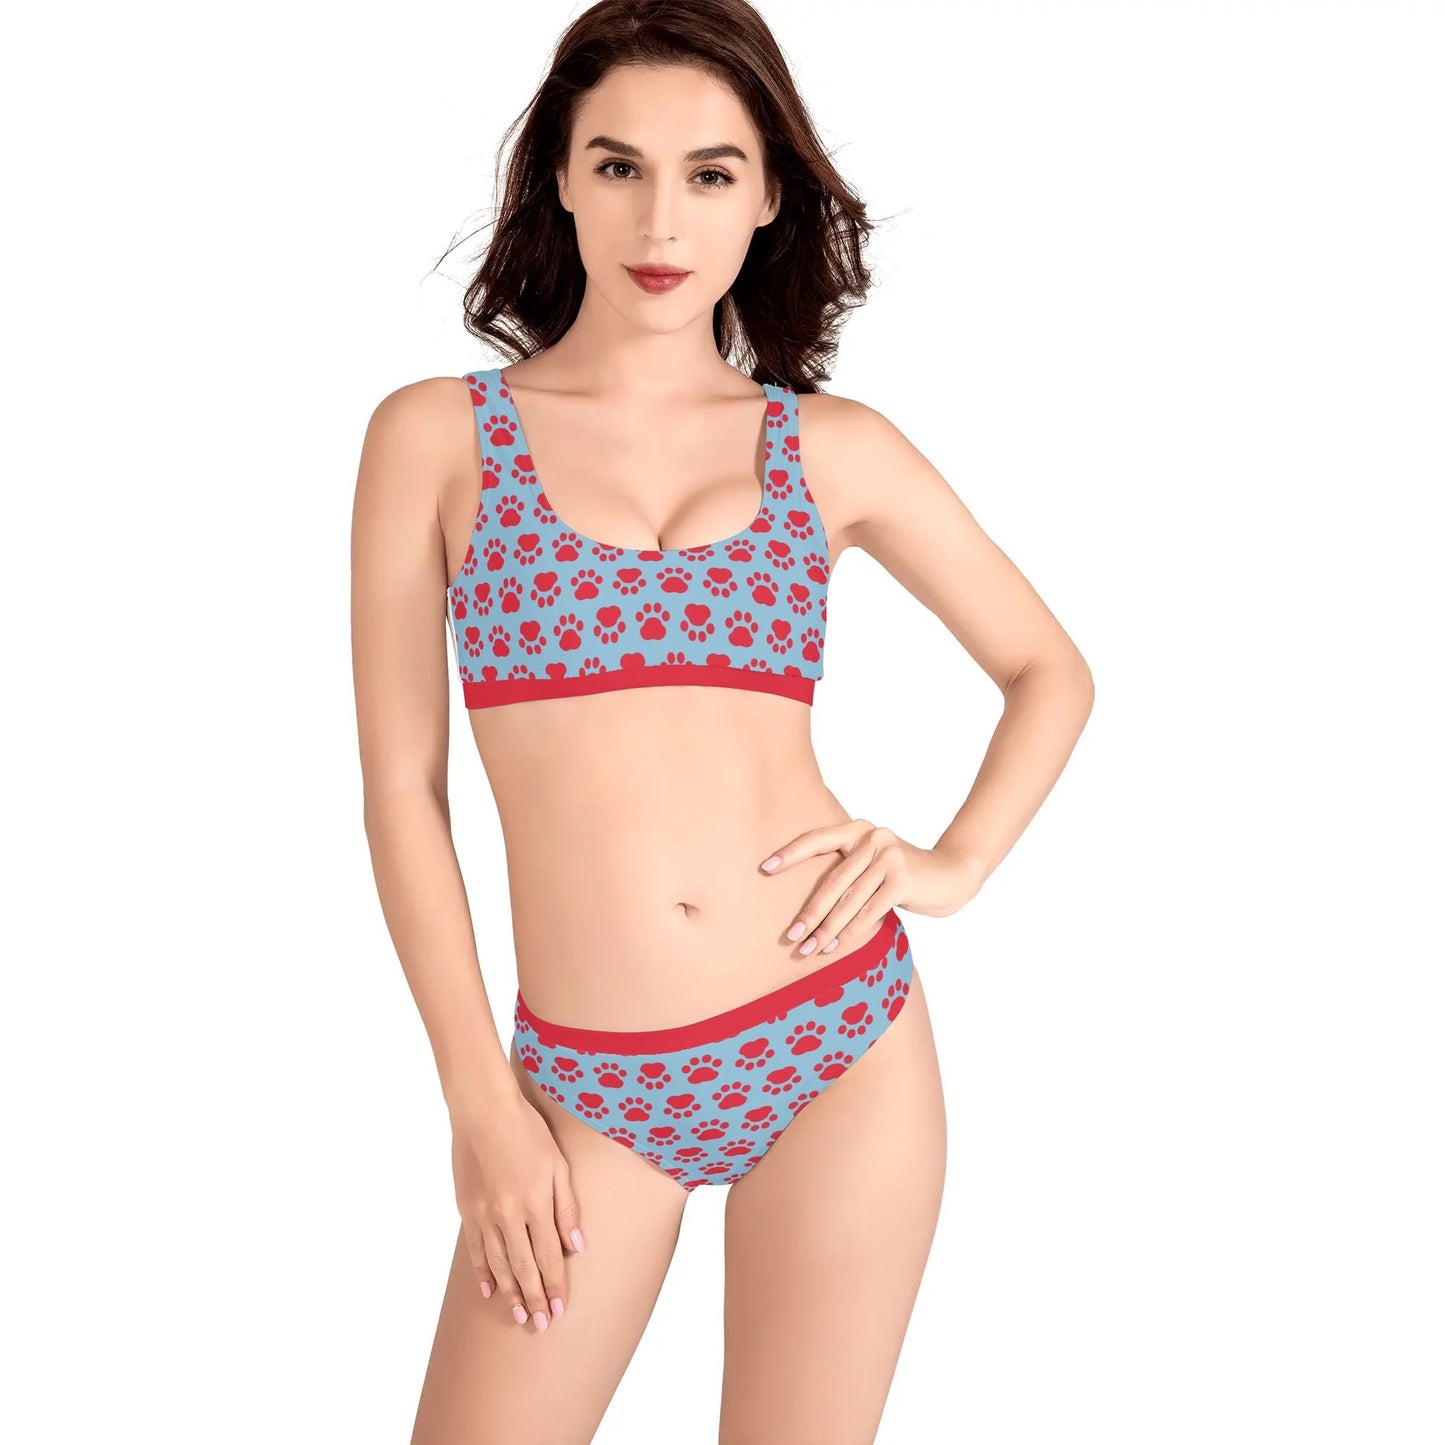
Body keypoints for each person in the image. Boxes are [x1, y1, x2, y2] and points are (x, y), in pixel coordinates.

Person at [350, 2, 1094, 1439]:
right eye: (618, 165)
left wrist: (948, 864)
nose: (660, 219)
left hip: (838, 1039)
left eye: (708, 173)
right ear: (558, 179)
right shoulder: (435, 437)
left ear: (766, 196)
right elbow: (402, 791)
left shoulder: (831, 449)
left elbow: (1047, 669)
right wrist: (480, 1107)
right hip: (583, 1083)